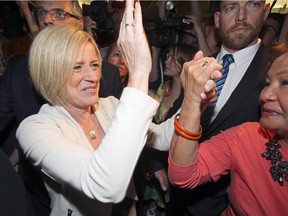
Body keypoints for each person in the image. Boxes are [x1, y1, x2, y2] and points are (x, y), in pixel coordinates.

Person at [16, 0, 159, 215]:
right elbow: (103, 185)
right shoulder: (34, 128)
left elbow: (161, 136)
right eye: (77, 67)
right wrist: (138, 73)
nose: (93, 77)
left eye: (94, 65)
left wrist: (194, 99)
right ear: (52, 72)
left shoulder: (109, 105)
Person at [0, 0, 122, 215]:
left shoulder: (108, 75)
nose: (47, 19)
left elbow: (128, 129)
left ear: (80, 24)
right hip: (37, 202)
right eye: (41, 13)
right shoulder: (18, 71)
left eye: (58, 13)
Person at [165, 0, 271, 215]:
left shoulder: (275, 74)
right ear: (217, 18)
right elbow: (171, 121)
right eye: (231, 7)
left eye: (251, 5)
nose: (240, 16)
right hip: (176, 201)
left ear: (265, 11)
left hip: (225, 207)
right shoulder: (198, 66)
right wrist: (155, 164)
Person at [168, 41, 288, 215]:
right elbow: (183, 175)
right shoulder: (247, 136)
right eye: (267, 83)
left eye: (285, 82)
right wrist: (192, 102)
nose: (265, 95)